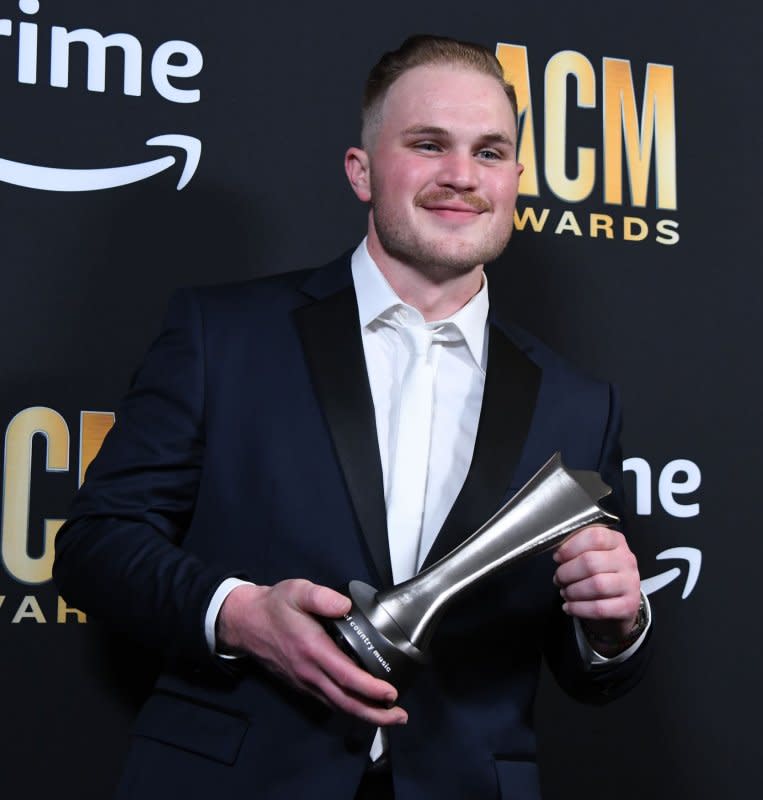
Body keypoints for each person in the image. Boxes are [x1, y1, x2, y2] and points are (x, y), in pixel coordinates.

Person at [54, 34, 651, 800]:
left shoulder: (580, 402)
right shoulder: (222, 335)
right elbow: (96, 545)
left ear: (515, 180)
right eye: (428, 144)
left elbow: (592, 672)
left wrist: (614, 626)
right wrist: (238, 614)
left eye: (490, 152)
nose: (460, 176)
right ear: (361, 170)